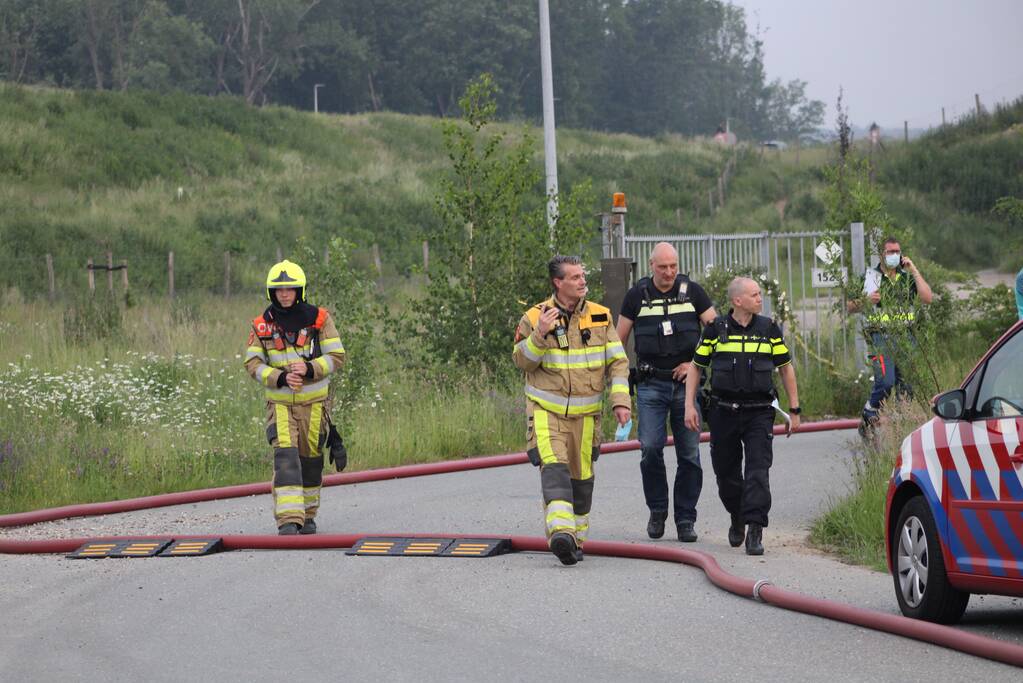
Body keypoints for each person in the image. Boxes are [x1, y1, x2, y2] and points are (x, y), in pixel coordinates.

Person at [512, 255, 631, 565]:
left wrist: (620, 402)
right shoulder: (535, 316)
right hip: (546, 411)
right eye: (575, 277)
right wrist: (540, 335)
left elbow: (617, 362)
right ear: (558, 283)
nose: (582, 281)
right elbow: (521, 361)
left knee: (582, 478)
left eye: (583, 275)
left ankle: (575, 540)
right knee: (554, 468)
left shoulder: (601, 316)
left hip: (587, 416)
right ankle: (561, 532)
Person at [683, 277, 800, 556]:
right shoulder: (715, 330)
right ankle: (737, 515)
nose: (760, 298)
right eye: (754, 295)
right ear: (738, 301)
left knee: (758, 470)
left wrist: (794, 410)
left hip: (760, 412)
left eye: (760, 294)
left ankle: (755, 527)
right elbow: (696, 368)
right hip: (724, 412)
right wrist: (689, 405)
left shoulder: (769, 329)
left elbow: (785, 369)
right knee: (727, 475)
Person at [616, 243, 717, 542]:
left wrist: (694, 363)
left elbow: (719, 333)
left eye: (673, 266)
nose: (669, 272)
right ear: (651, 266)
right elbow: (617, 342)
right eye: (663, 267)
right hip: (650, 386)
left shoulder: (693, 293)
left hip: (686, 387)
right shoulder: (637, 296)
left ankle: (685, 519)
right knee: (649, 449)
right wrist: (617, 387)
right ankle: (657, 510)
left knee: (689, 454)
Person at [244, 260, 346, 535]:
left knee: (311, 460)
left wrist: (310, 368)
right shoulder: (260, 326)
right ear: (271, 292)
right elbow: (252, 364)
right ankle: (289, 519)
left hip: (314, 405)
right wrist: (279, 377)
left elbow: (337, 356)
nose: (285, 294)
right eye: (279, 290)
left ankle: (308, 515)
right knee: (286, 459)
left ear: (299, 291)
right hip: (279, 405)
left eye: (290, 289)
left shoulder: (320, 320)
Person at [847, 237, 932, 432]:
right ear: (881, 254)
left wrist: (914, 270)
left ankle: (903, 429)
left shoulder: (907, 277)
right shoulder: (871, 277)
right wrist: (865, 300)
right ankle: (869, 414)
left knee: (907, 385)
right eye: (890, 252)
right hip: (880, 338)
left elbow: (927, 298)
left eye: (897, 252)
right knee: (885, 382)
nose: (895, 255)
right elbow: (850, 307)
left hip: (906, 338)